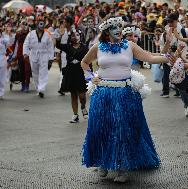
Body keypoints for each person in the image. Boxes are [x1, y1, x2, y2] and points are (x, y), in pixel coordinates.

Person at [80, 16, 170, 183]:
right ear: (106, 31)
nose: (118, 30)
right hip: (103, 94)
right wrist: (90, 77)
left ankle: (123, 168)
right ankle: (103, 162)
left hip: (125, 93)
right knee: (101, 129)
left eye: (119, 27)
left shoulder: (130, 45)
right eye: (113, 27)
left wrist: (168, 57)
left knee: (122, 130)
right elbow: (84, 63)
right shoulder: (97, 47)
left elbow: (149, 57)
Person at [55, 29, 89, 123]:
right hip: (71, 73)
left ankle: (83, 107)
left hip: (81, 73)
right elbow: (58, 45)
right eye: (73, 35)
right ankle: (75, 115)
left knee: (82, 95)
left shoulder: (85, 47)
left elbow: (88, 61)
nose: (75, 37)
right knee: (73, 94)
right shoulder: (68, 47)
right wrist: (60, 36)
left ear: (80, 36)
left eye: (77, 35)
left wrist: (90, 74)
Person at [23, 17, 54, 98]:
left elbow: (50, 47)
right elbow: (26, 44)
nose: (41, 27)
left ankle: (41, 89)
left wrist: (51, 58)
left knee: (43, 73)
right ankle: (38, 88)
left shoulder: (47, 35)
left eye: (42, 25)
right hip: (33, 54)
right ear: (37, 25)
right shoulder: (31, 34)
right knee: (35, 73)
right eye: (40, 25)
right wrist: (25, 54)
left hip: (44, 55)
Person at [0, 29, 9, 99]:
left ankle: (1, 93)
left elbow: (10, 42)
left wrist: (7, 33)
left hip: (2, 58)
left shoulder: (4, 39)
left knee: (2, 77)